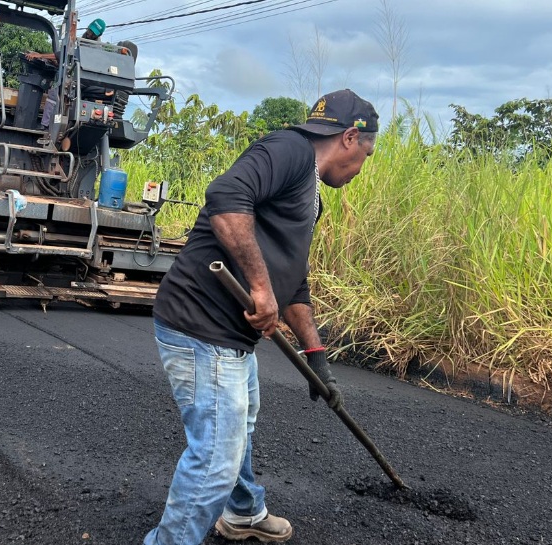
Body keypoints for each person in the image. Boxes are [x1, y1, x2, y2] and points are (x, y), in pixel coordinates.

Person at [144, 89, 379, 545]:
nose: (360, 169)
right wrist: (259, 287)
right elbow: (225, 196)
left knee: (240, 423)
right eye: (365, 155)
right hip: (202, 325)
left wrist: (316, 356)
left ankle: (244, 512)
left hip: (230, 334)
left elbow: (294, 283)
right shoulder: (290, 150)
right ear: (350, 137)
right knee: (215, 460)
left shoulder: (310, 195)